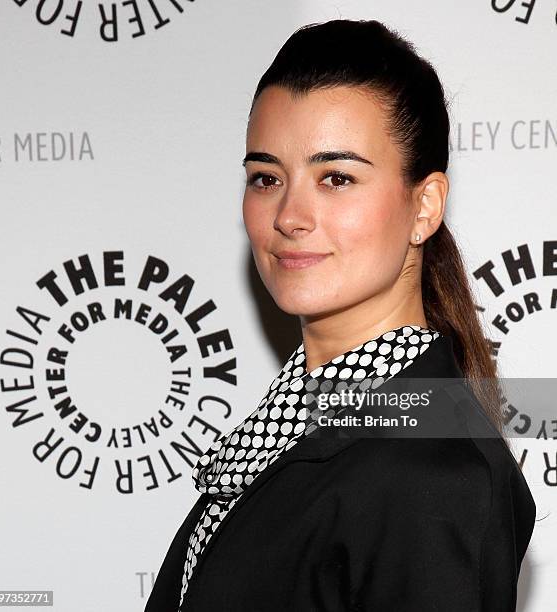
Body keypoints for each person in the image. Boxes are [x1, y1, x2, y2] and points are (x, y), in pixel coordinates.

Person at [145, 19, 536, 611]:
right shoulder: (288, 433)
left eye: (336, 178)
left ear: (424, 206)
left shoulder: (432, 475)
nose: (289, 215)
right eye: (266, 177)